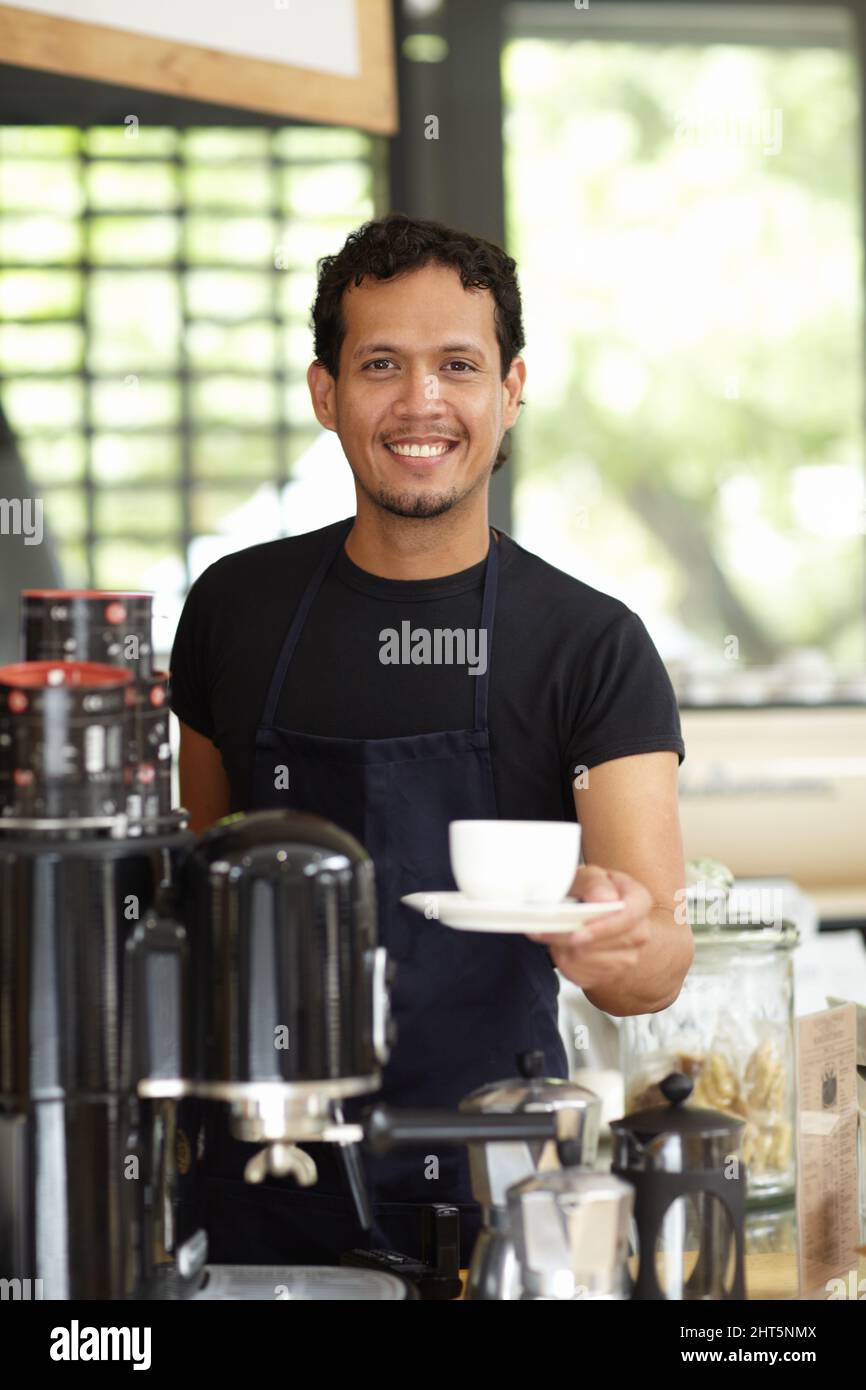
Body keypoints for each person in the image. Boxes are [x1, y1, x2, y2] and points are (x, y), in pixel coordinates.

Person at [168, 212, 692, 1268]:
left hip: (496, 1189)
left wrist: (620, 943)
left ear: (510, 389)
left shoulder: (590, 644)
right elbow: (195, 880)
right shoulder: (234, 607)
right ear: (325, 394)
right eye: (379, 365)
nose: (421, 402)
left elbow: (653, 965)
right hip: (261, 1179)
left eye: (457, 364)